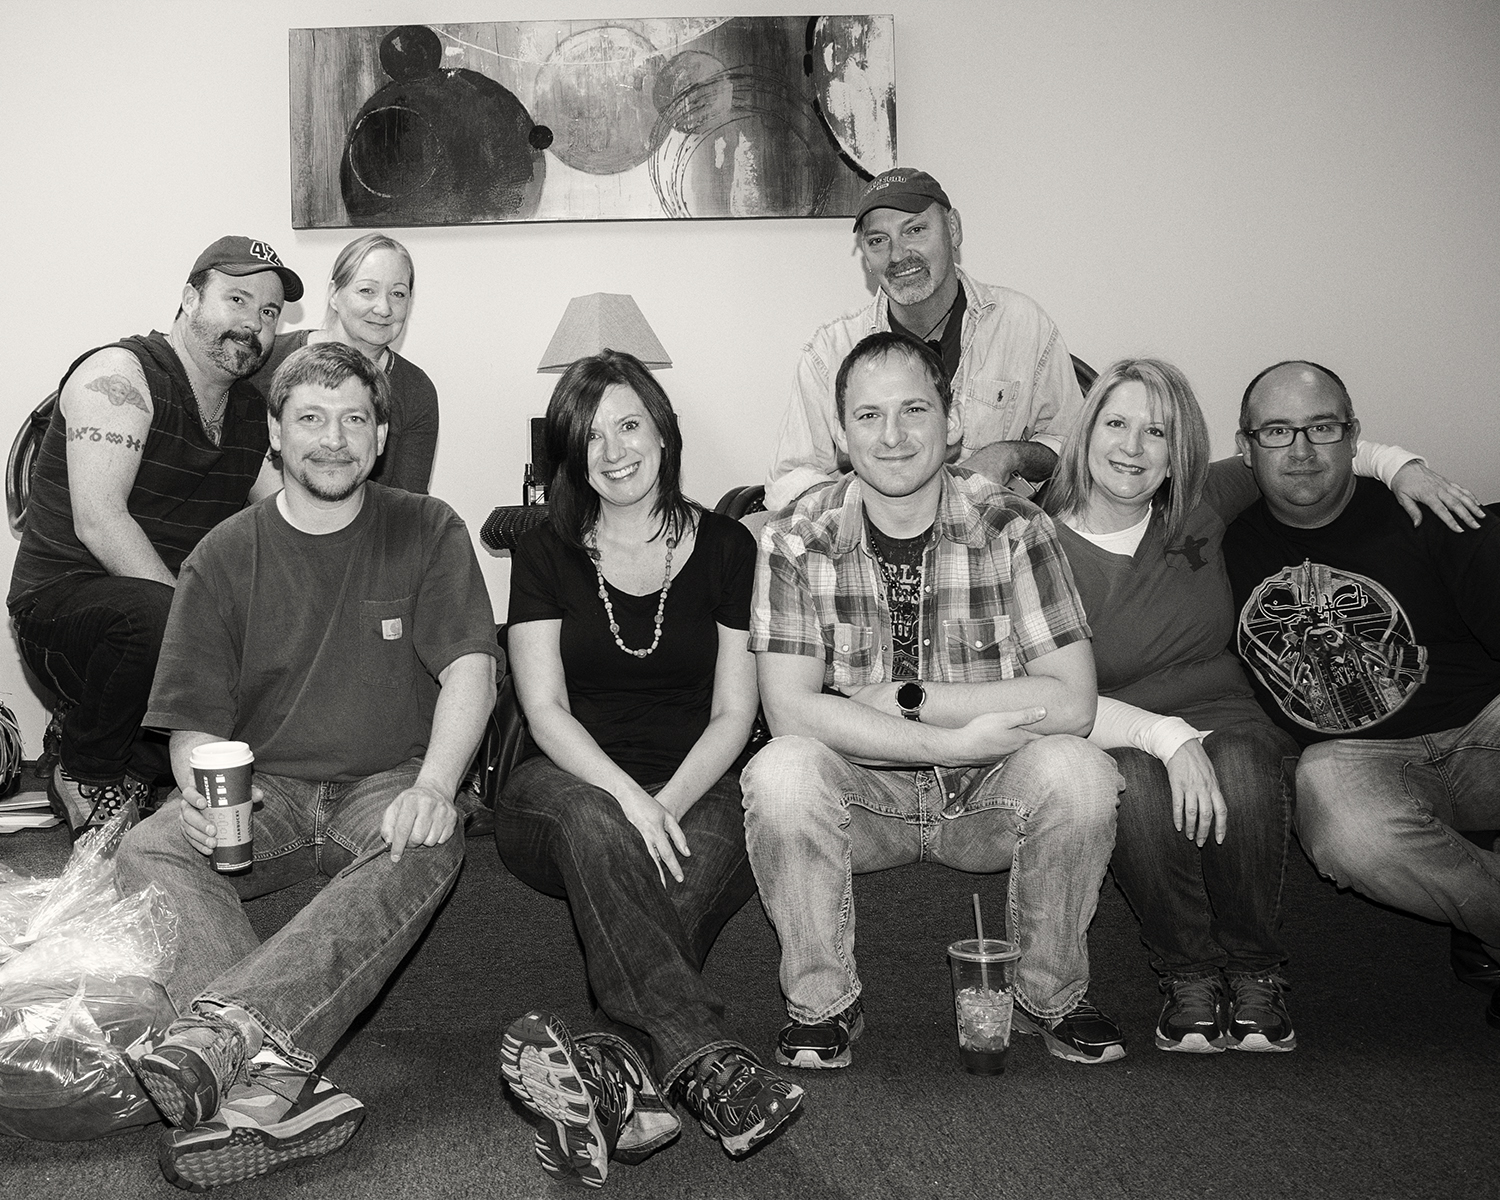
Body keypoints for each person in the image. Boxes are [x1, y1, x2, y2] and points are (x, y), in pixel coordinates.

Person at [114, 341, 499, 1189]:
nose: (334, 438)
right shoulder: (222, 555)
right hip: (267, 790)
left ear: (381, 437)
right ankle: (276, 1086)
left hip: (387, 780)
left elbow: (471, 669)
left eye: (354, 419)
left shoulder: (427, 527)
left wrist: (437, 785)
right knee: (150, 845)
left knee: (428, 836)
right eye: (312, 419)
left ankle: (229, 1036)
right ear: (276, 434)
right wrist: (200, 787)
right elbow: (190, 723)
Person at [745, 330, 1127, 1070]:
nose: (892, 436)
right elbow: (791, 712)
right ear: (840, 433)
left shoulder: (1014, 526)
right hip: (864, 802)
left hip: (990, 793)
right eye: (868, 415)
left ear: (951, 424)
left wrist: (909, 698)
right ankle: (824, 1006)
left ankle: (1048, 997)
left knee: (1080, 772)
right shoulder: (794, 537)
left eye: (914, 410)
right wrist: (951, 740)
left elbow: (1072, 701)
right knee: (781, 771)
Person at [495, 350, 803, 1187]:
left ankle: (612, 1072)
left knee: (668, 871)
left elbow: (735, 713)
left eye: (629, 425)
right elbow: (545, 710)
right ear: (570, 453)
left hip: (701, 783)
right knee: (600, 823)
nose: (614, 451)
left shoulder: (730, 546)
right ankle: (708, 1061)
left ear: (664, 431)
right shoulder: (543, 548)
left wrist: (667, 801)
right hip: (562, 790)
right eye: (590, 436)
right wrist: (633, 800)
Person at [1223, 360, 1499, 1030]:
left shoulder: (1424, 511)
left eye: (1322, 427)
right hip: (1358, 759)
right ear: (1246, 447)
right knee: (1346, 827)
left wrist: (1400, 466)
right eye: (1277, 431)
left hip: (1482, 729)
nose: (1301, 450)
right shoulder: (1222, 544)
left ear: (1353, 437)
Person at [9, 236, 297, 838]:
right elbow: (100, 521)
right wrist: (199, 631)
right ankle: (86, 769)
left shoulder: (250, 411)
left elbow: (288, 514)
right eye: (237, 299)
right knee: (160, 618)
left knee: (273, 620)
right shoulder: (121, 375)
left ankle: (136, 768)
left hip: (160, 611)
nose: (254, 322)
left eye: (269, 312)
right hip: (64, 609)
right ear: (190, 298)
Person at [765, 167, 1085, 511]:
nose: (898, 254)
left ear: (953, 229)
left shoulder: (1022, 325)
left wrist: (1008, 456)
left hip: (994, 532)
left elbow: (1075, 444)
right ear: (865, 255)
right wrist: (867, 507)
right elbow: (789, 478)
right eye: (878, 240)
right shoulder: (830, 351)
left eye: (915, 230)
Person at [255, 233, 438, 493]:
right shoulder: (269, 359)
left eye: (398, 294)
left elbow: (408, 500)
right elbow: (242, 465)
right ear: (334, 294)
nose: (383, 308)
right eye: (367, 290)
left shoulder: (415, 389)